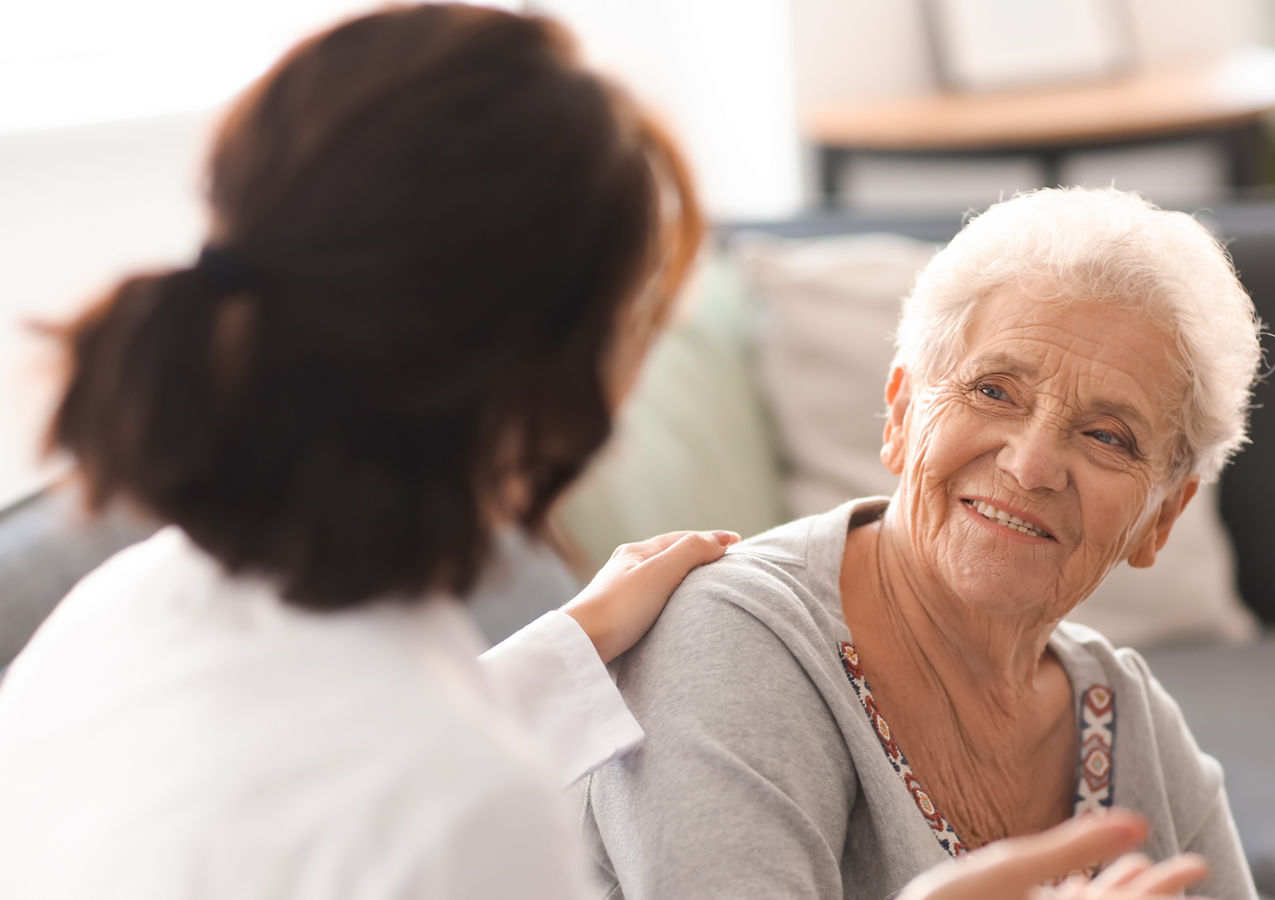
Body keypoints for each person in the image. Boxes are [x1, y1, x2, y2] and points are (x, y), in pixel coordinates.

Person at [0, 6, 1210, 900]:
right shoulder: (455, 800)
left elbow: (303, 771)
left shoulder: (124, 616)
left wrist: (556, 662)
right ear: (563, 382)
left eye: (1106, 437)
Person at [582, 186, 1266, 900]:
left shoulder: (1134, 726)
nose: (1030, 465)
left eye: (1106, 437)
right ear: (902, 415)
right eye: (994, 392)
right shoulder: (733, 639)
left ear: (1162, 518)